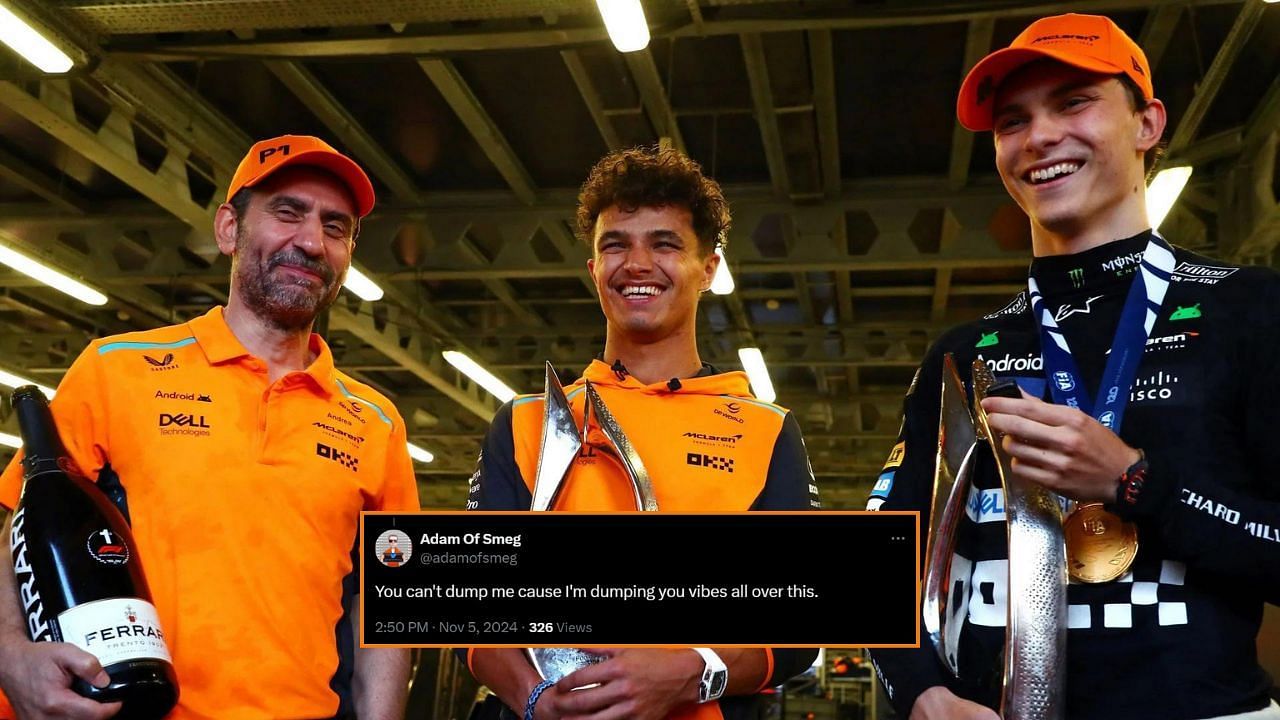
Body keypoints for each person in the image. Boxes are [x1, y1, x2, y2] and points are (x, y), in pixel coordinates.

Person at [868, 13, 1280, 720]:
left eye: (1073, 102)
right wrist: (922, 694)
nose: (1039, 137)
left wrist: (1135, 481)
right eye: (1012, 121)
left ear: (1147, 124)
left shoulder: (1248, 311)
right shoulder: (965, 354)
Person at [0, 134, 420, 719]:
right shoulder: (116, 368)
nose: (311, 241)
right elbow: (15, 525)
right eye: (287, 212)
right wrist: (8, 653)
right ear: (228, 229)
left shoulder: (377, 423)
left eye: (335, 226)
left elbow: (389, 607)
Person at [465, 145, 821, 720]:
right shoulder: (525, 421)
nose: (636, 264)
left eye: (664, 243)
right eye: (615, 245)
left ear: (708, 268)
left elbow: (798, 630)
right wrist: (533, 699)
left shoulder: (767, 431)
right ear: (592, 270)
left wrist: (694, 672)